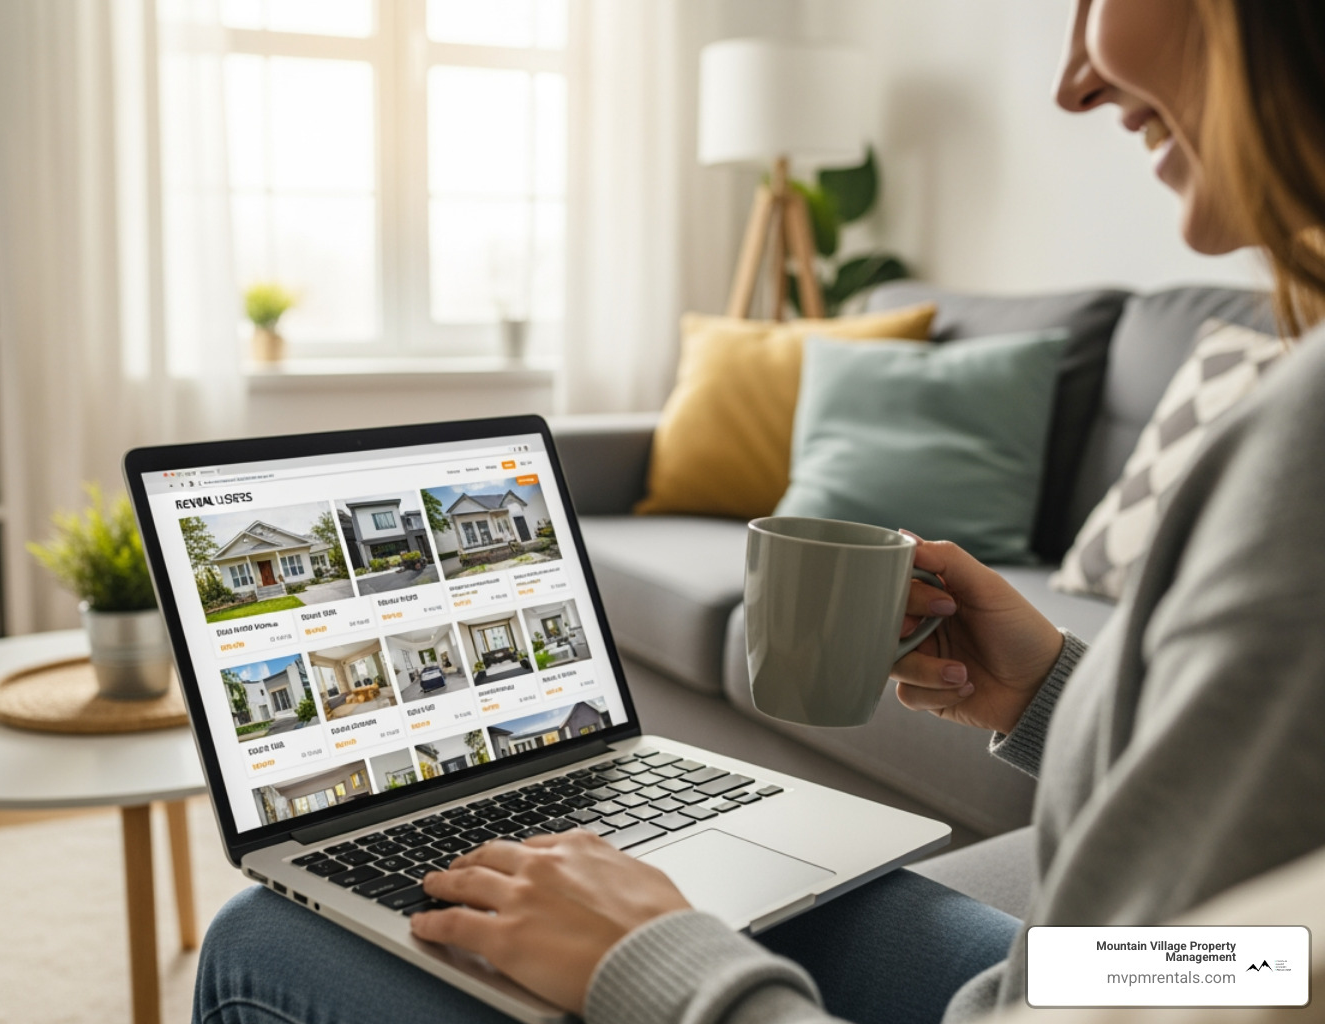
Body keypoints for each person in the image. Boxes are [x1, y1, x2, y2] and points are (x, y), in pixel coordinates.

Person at [193, 1, 1325, 1021]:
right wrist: (1050, 695)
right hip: (1114, 977)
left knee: (256, 936)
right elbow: (1255, 955)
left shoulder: (1303, 433)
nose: (1073, 77)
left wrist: (660, 960)